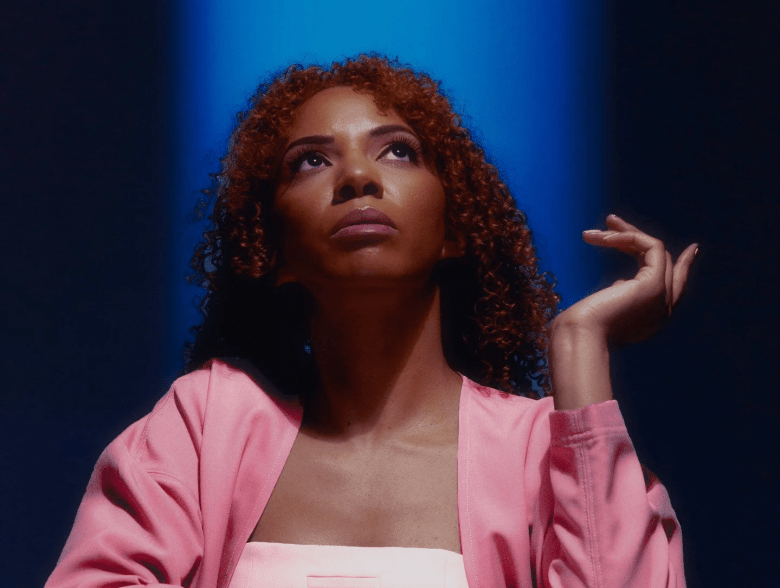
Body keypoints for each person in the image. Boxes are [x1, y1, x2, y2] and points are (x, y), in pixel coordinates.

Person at [45, 54, 695, 588]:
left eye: (398, 152)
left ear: (456, 230)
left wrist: (579, 347)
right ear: (271, 253)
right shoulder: (204, 429)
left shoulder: (540, 453)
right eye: (312, 160)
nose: (357, 175)